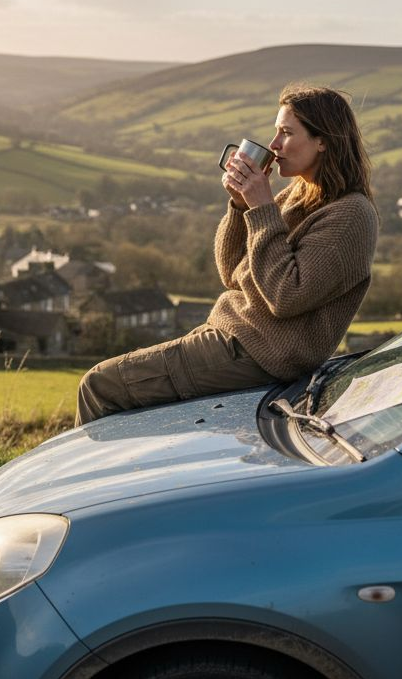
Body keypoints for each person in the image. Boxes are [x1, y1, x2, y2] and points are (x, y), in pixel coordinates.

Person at [75, 83, 378, 425]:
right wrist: (239, 205)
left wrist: (261, 207)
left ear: (322, 140)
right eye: (276, 131)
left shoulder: (351, 215)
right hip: (231, 338)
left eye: (286, 133)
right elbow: (232, 271)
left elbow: (286, 296)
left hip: (255, 354)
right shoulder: (299, 194)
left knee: (98, 386)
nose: (274, 144)